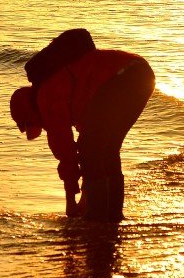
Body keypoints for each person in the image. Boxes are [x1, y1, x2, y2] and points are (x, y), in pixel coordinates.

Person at [10, 29, 156, 222]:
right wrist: (83, 196)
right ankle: (111, 215)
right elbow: (81, 145)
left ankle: (97, 216)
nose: (41, 128)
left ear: (29, 113)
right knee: (105, 148)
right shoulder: (61, 91)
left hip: (123, 77)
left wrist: (71, 204)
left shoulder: (47, 96)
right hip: (140, 73)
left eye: (33, 125)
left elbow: (66, 153)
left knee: (93, 148)